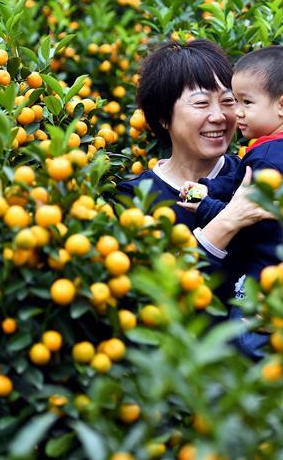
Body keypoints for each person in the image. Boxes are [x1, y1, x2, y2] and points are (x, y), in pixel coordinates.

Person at [116, 39, 273, 359]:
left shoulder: (256, 176)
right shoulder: (137, 199)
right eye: (201, 104)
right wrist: (227, 222)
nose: (219, 116)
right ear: (163, 117)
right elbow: (155, 306)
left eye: (228, 101)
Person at [179, 46, 283, 299]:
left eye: (247, 102)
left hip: (266, 279)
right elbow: (240, 182)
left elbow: (248, 221)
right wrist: (208, 186)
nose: (237, 112)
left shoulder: (268, 160)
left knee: (243, 334)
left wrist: (203, 204)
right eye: (236, 100)